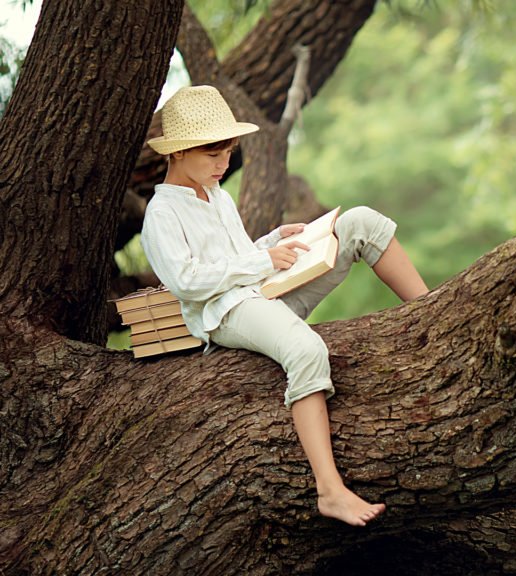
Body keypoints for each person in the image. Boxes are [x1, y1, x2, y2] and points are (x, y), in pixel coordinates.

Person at [140, 85, 429, 527]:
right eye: (214, 153)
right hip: (227, 313)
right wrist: (261, 260)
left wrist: (273, 241)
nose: (224, 164)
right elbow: (186, 282)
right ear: (178, 152)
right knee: (307, 351)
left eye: (229, 152)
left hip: (263, 290)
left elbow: (234, 256)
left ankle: (432, 310)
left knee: (359, 223)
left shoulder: (215, 194)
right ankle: (330, 490)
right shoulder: (162, 214)